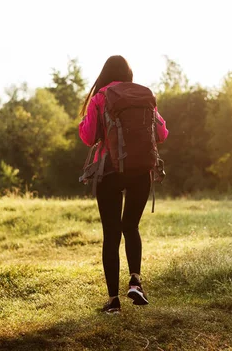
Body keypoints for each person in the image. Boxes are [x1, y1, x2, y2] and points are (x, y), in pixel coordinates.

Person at [79, 55, 169, 314]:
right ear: (129, 73)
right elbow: (162, 133)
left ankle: (113, 302)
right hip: (141, 171)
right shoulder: (143, 96)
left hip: (109, 172)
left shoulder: (100, 98)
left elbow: (88, 136)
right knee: (131, 227)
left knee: (111, 234)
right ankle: (136, 282)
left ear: (105, 74)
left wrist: (83, 123)